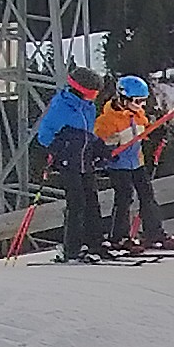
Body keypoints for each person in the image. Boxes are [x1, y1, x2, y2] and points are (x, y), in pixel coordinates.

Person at [34, 68, 114, 263]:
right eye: (94, 92)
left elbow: (88, 135)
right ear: (82, 90)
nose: (96, 96)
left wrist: (99, 148)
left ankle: (95, 242)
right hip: (69, 163)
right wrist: (61, 148)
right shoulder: (61, 106)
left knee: (92, 202)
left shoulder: (88, 107)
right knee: (76, 203)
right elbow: (44, 135)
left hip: (84, 162)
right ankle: (72, 247)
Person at [95, 75, 174, 252]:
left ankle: (154, 233)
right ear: (123, 98)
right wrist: (106, 152)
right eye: (137, 101)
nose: (141, 105)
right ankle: (119, 237)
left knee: (147, 196)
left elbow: (143, 132)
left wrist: (154, 133)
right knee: (124, 198)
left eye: (143, 101)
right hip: (119, 166)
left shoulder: (138, 115)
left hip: (137, 162)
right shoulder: (107, 120)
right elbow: (98, 144)